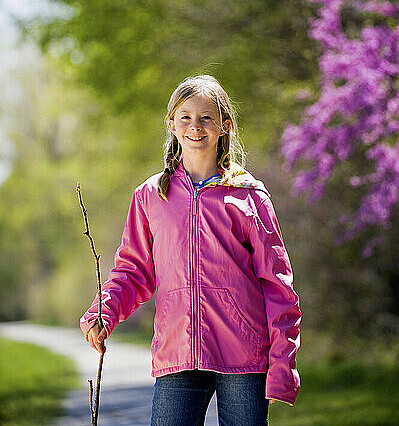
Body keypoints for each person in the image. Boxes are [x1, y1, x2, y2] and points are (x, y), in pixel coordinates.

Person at [80, 74, 301, 426]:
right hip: (177, 353)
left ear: (224, 126)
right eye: (185, 117)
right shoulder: (151, 196)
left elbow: (278, 286)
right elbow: (133, 271)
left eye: (206, 118)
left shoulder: (247, 196)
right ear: (171, 124)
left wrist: (282, 363)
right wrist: (103, 313)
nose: (195, 126)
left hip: (244, 356)